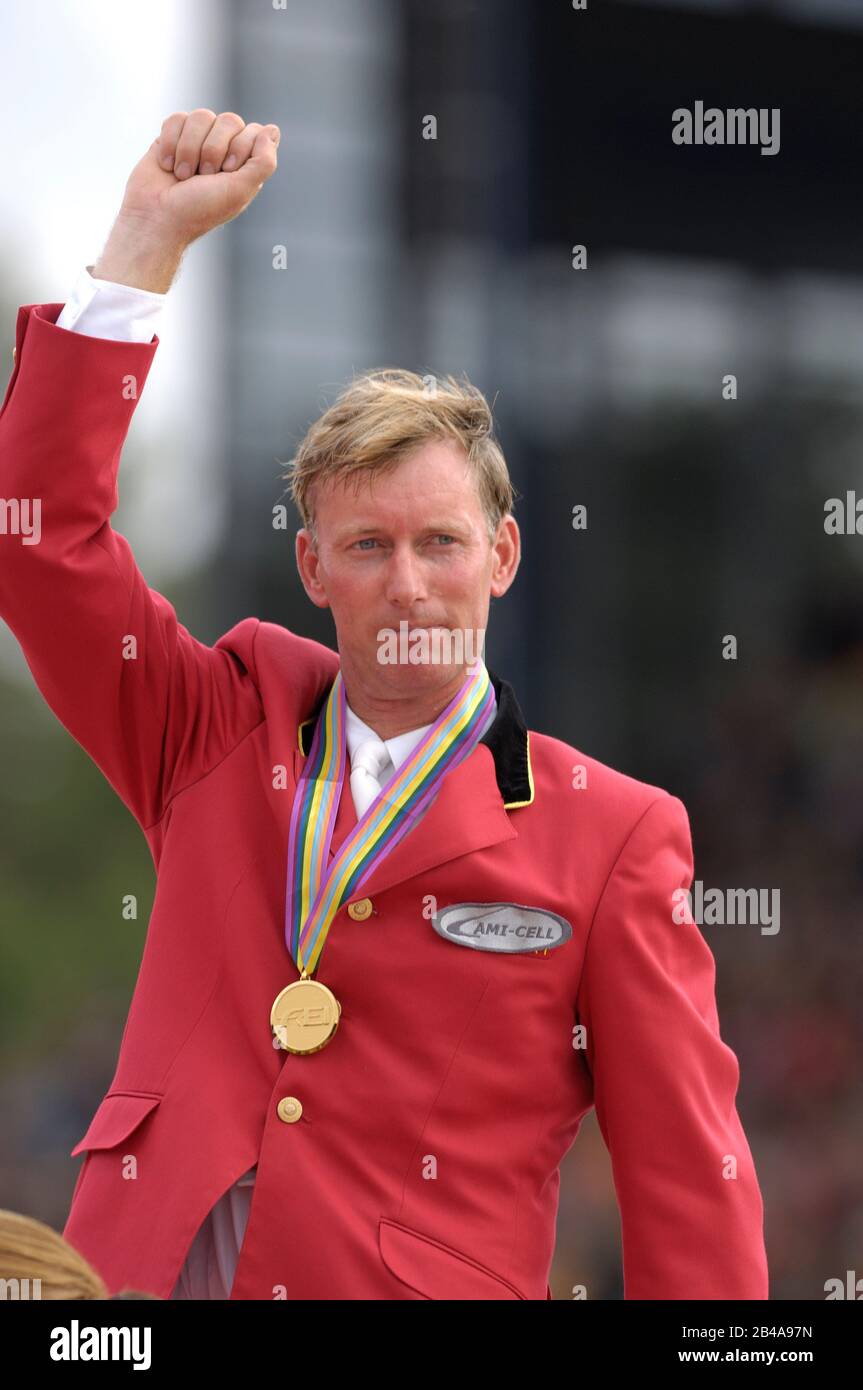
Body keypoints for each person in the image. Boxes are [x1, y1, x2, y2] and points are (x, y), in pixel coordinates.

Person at [0, 110, 768, 1300]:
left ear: (503, 555)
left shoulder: (609, 838)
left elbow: (687, 1179)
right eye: (364, 544)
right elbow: (38, 538)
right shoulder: (212, 728)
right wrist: (145, 243)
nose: (405, 580)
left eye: (439, 542)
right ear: (312, 571)